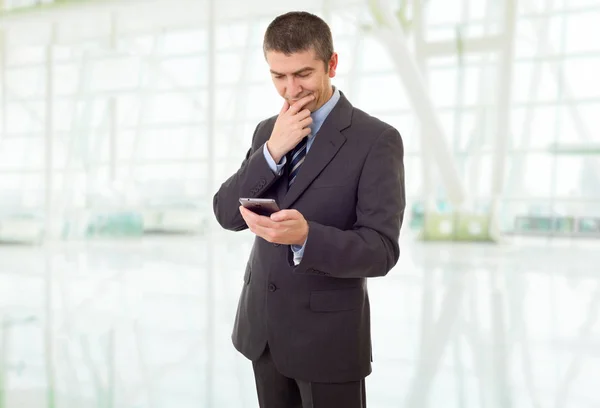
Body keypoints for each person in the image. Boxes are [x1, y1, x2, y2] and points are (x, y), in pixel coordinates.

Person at [213, 11, 405, 408]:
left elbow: (381, 250)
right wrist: (271, 152)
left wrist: (306, 237)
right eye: (277, 76)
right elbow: (226, 214)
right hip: (263, 331)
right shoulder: (269, 130)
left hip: (328, 340)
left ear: (332, 64)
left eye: (302, 74)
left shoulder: (376, 140)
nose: (290, 89)